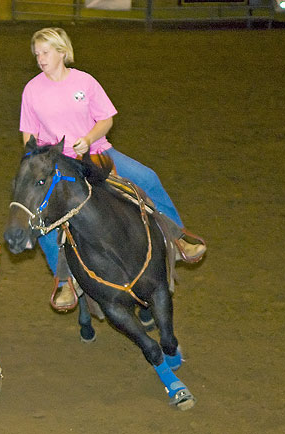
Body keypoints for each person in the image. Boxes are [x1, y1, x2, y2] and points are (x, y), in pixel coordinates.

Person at [19, 27, 206, 308]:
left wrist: (89, 139)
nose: (40, 59)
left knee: (147, 178)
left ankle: (177, 239)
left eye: (45, 52)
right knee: (41, 215)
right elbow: (28, 134)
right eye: (37, 54)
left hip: (97, 152)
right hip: (57, 162)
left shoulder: (85, 82)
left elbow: (106, 120)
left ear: (61, 52)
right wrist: (42, 158)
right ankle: (64, 281)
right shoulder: (32, 90)